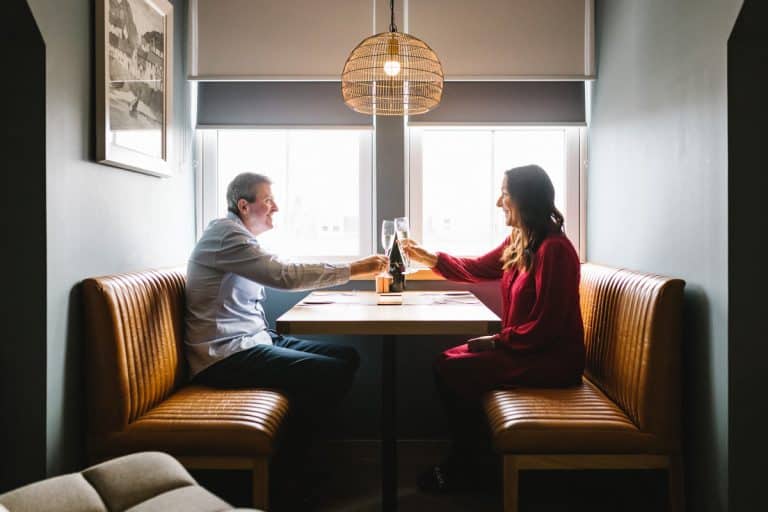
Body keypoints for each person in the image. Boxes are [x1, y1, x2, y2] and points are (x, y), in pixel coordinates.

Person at [184, 172, 387, 504]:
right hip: (221, 356)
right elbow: (282, 275)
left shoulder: (240, 238)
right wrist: (352, 269)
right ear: (244, 205)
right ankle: (291, 469)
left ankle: (299, 457)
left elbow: (281, 266)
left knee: (347, 358)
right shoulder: (226, 237)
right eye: (268, 200)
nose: (275, 206)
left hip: (253, 340)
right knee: (328, 372)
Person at [402, 164, 585, 493]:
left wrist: (497, 341)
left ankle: (466, 465)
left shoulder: (554, 250)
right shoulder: (520, 240)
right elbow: (477, 268)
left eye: (504, 194)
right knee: (446, 363)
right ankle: (472, 460)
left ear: (524, 200)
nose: (498, 202)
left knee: (449, 366)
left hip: (551, 359)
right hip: (525, 350)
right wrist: (428, 258)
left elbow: (548, 326)